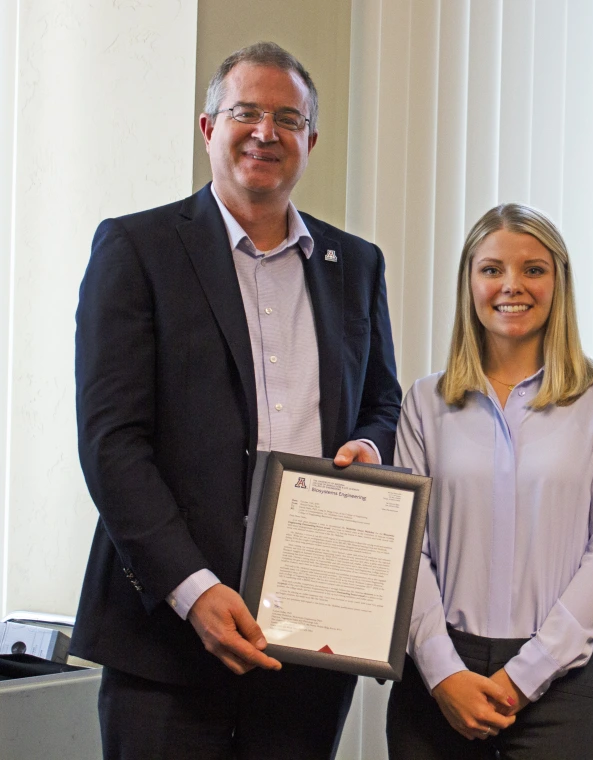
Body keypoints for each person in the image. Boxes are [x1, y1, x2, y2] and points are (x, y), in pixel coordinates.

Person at [72, 42, 401, 759]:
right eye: (246, 112)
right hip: (164, 635)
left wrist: (369, 447)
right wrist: (193, 591)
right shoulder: (137, 249)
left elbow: (381, 400)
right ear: (208, 129)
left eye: (288, 118)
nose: (265, 131)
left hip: (308, 639)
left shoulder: (358, 265)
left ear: (310, 141)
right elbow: (111, 443)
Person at [386, 203, 593, 759]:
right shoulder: (426, 401)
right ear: (468, 282)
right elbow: (408, 550)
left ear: (559, 282)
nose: (512, 286)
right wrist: (441, 670)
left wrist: (524, 675)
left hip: (563, 687)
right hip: (438, 681)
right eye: (492, 269)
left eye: (533, 269)